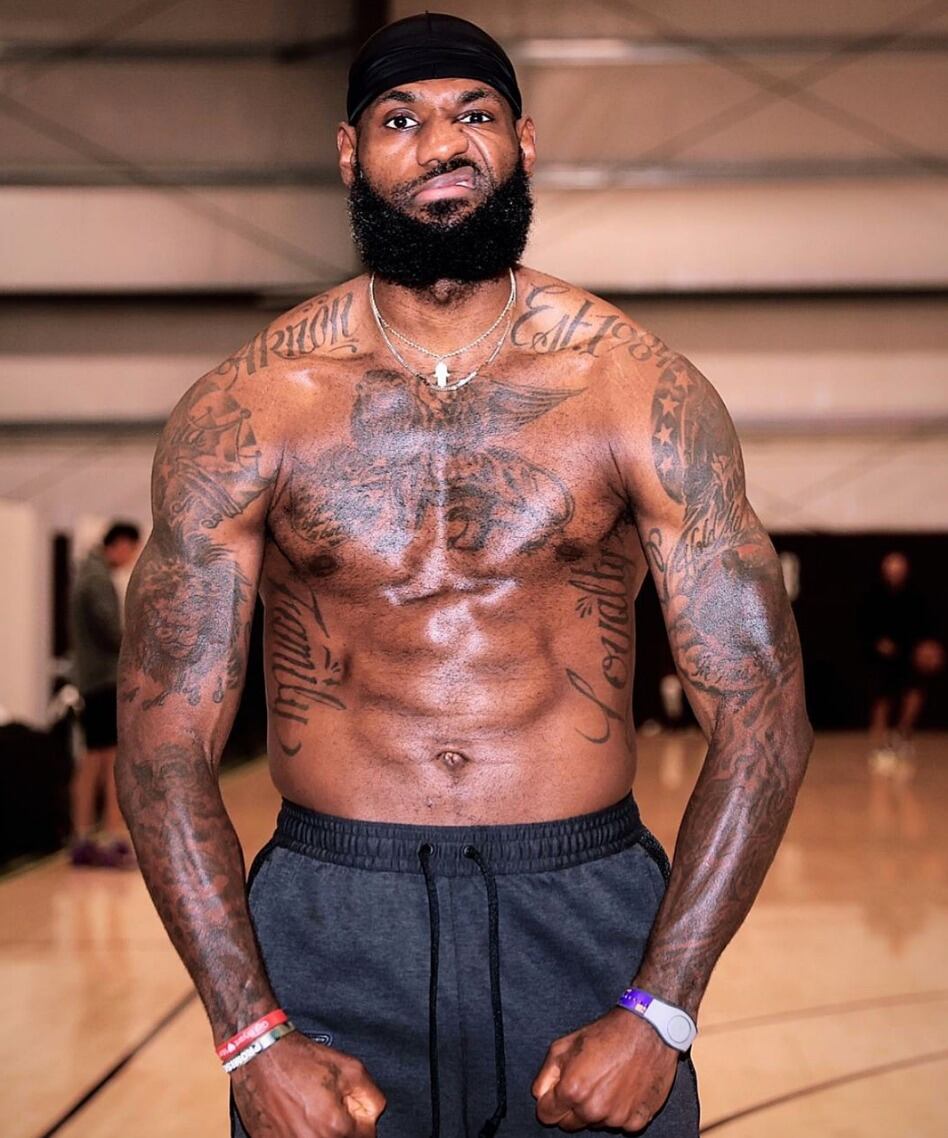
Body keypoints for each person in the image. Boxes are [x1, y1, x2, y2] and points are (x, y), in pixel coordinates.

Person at [116, 13, 812, 1137]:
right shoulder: (249, 409)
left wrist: (665, 1008)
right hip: (333, 916)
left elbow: (764, 710)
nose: (442, 144)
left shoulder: (637, 390)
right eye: (400, 121)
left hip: (583, 911)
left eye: (473, 114)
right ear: (350, 154)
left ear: (523, 142)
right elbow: (160, 742)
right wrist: (250, 1035)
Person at [71, 520, 141, 867]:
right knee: (112, 760)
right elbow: (112, 632)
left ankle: (83, 837)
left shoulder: (88, 573)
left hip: (91, 682)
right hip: (103, 681)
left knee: (92, 760)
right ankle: (113, 837)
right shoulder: (97, 580)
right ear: (121, 544)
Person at [863, 551, 944, 770]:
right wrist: (878, 643)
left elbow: (927, 626)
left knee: (914, 691)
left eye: (899, 570)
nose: (895, 574)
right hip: (882, 656)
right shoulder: (874, 595)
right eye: (891, 570)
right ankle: (879, 744)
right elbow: (864, 625)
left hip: (910, 653)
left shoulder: (916, 596)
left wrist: (926, 648)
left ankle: (902, 734)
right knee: (881, 698)